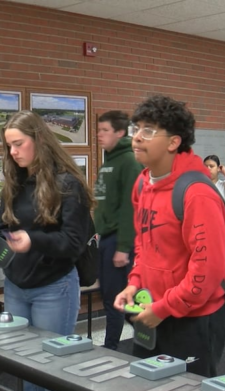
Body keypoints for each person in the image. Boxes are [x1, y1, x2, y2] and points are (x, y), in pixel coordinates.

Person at [0, 110, 94, 391]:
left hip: (54, 288)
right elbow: (1, 233)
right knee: (26, 369)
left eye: (19, 143)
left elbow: (73, 243)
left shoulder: (68, 184)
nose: (13, 151)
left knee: (53, 372)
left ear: (39, 140)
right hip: (16, 287)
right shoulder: (15, 184)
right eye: (9, 146)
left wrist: (32, 240)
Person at [113, 95, 225, 377]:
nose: (137, 138)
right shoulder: (143, 183)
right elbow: (144, 244)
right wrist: (135, 283)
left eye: (148, 131)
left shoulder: (197, 194)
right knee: (145, 389)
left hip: (193, 319)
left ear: (173, 142)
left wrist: (164, 308)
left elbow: (207, 270)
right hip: (152, 310)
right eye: (136, 128)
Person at [94, 110, 142, 350]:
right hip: (106, 239)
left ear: (120, 132)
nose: (100, 135)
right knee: (110, 297)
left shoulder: (129, 161)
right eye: (99, 130)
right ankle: (143, 338)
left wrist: (123, 248)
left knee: (118, 300)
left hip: (120, 242)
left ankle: (112, 348)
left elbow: (129, 208)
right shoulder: (110, 160)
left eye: (105, 130)